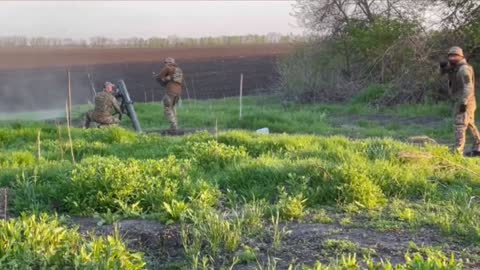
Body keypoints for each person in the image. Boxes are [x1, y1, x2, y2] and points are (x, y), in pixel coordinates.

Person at [440, 46, 480, 154]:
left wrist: (464, 103)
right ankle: (478, 146)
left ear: (461, 56)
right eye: (450, 56)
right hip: (461, 100)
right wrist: (443, 68)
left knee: (460, 125)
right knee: (470, 124)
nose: (452, 58)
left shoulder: (464, 69)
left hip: (466, 101)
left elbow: (468, 87)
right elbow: (446, 72)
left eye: (455, 56)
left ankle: (458, 151)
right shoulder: (455, 66)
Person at [154, 57, 184, 131]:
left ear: (168, 63)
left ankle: (174, 126)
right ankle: (175, 125)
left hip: (171, 91)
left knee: (167, 108)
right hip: (178, 92)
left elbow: (159, 77)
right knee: (173, 107)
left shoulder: (168, 68)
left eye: (166, 62)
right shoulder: (179, 70)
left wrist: (158, 78)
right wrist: (167, 79)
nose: (165, 64)